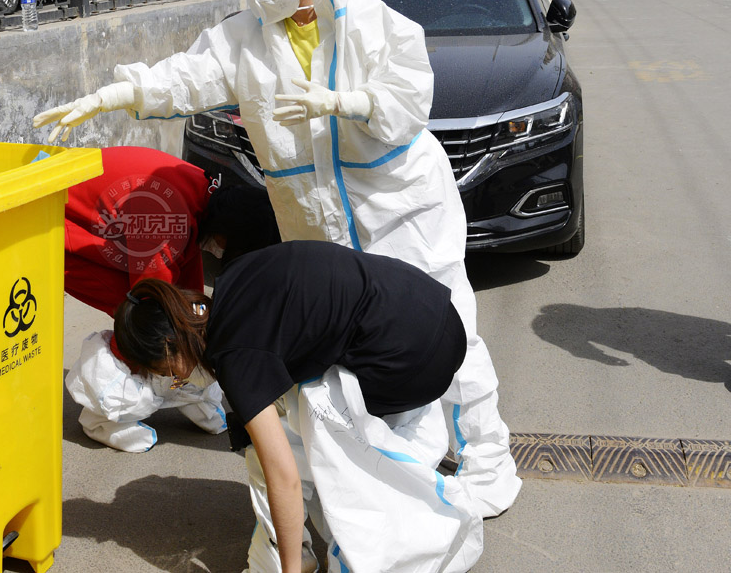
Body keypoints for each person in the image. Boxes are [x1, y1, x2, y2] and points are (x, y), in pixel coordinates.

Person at [34, 0, 520, 516]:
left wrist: (347, 103)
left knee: (446, 325)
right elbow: (186, 77)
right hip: (316, 220)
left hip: (401, 205)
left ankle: (486, 459)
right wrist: (117, 94)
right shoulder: (246, 38)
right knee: (347, 352)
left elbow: (410, 101)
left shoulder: (374, 24)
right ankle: (386, 476)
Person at [113, 241, 483, 573]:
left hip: (418, 362)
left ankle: (360, 544)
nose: (176, 382)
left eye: (167, 373)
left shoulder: (237, 356)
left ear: (168, 347)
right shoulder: (232, 281)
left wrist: (290, 569)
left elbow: (283, 478)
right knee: (278, 418)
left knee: (312, 442)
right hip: (434, 310)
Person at [63, 146, 279, 452]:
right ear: (231, 238)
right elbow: (147, 313)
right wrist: (173, 357)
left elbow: (189, 296)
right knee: (139, 317)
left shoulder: (202, 194)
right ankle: (105, 412)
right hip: (56, 225)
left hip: (101, 217)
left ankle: (178, 388)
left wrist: (199, 343)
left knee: (185, 316)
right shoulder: (166, 222)